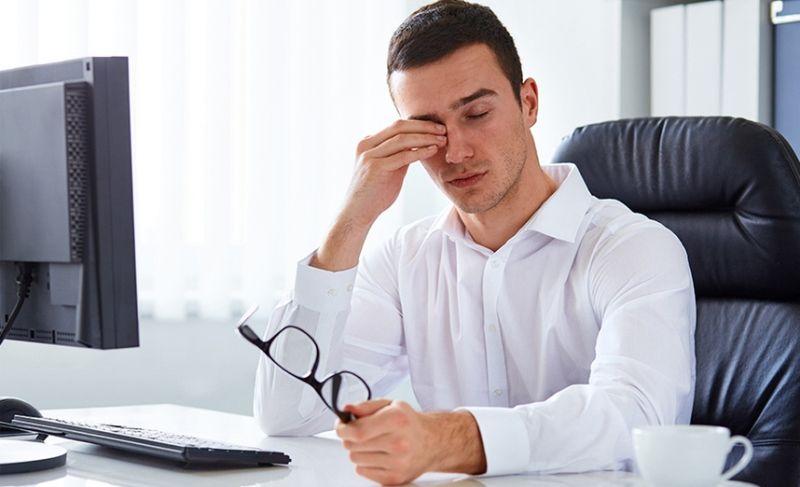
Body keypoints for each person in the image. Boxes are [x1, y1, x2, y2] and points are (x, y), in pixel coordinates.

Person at [253, 1, 696, 485]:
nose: (456, 153)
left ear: (529, 103)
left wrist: (450, 439)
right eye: (430, 130)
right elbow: (287, 414)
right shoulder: (406, 259)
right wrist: (351, 221)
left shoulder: (633, 249)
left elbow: (636, 416)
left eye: (477, 113)